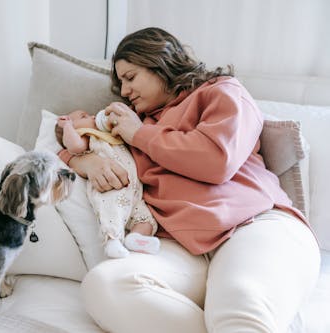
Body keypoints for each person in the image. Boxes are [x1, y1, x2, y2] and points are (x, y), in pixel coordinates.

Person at [58, 27, 320, 333]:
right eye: (121, 85)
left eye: (130, 78)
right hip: (182, 248)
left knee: (239, 305)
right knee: (104, 285)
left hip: (254, 224)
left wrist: (140, 135)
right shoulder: (132, 122)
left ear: (160, 62)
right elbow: (75, 141)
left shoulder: (220, 92)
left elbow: (216, 161)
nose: (126, 92)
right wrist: (83, 161)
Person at [55, 109, 160, 258]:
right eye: (84, 116)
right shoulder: (86, 137)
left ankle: (135, 239)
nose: (92, 115)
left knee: (145, 217)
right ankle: (112, 241)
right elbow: (74, 147)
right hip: (111, 186)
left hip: (135, 191)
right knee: (112, 211)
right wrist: (66, 127)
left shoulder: (109, 135)